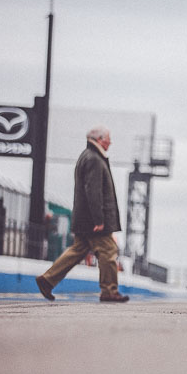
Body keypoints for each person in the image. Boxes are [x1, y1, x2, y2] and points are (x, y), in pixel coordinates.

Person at [35, 126, 129, 302]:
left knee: (77, 250)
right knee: (109, 250)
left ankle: (47, 280)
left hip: (84, 218)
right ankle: (109, 291)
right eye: (108, 138)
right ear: (100, 139)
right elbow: (93, 191)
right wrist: (99, 219)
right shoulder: (94, 159)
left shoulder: (88, 156)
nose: (110, 142)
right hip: (93, 220)